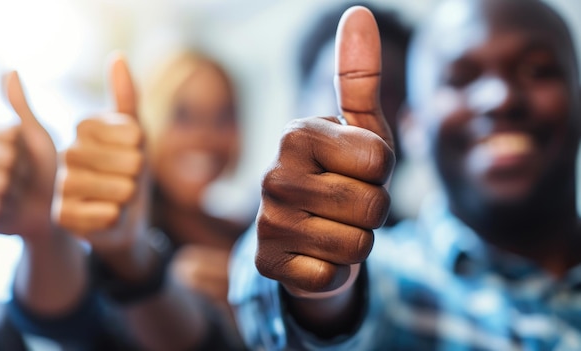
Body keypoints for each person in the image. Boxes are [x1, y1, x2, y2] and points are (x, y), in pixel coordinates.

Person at [229, 1, 581, 350]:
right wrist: (317, 286)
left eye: (537, 71)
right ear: (412, 126)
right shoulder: (398, 278)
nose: (501, 98)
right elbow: (315, 319)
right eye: (460, 78)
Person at [0, 51, 252, 350]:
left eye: (224, 116)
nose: (206, 137)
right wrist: (46, 235)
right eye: (183, 116)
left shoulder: (250, 232)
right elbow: (72, 318)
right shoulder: (115, 219)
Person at [296, 2, 412, 227]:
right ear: (302, 103)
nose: (360, 108)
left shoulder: (420, 252)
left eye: (385, 92)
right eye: (337, 85)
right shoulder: (242, 238)